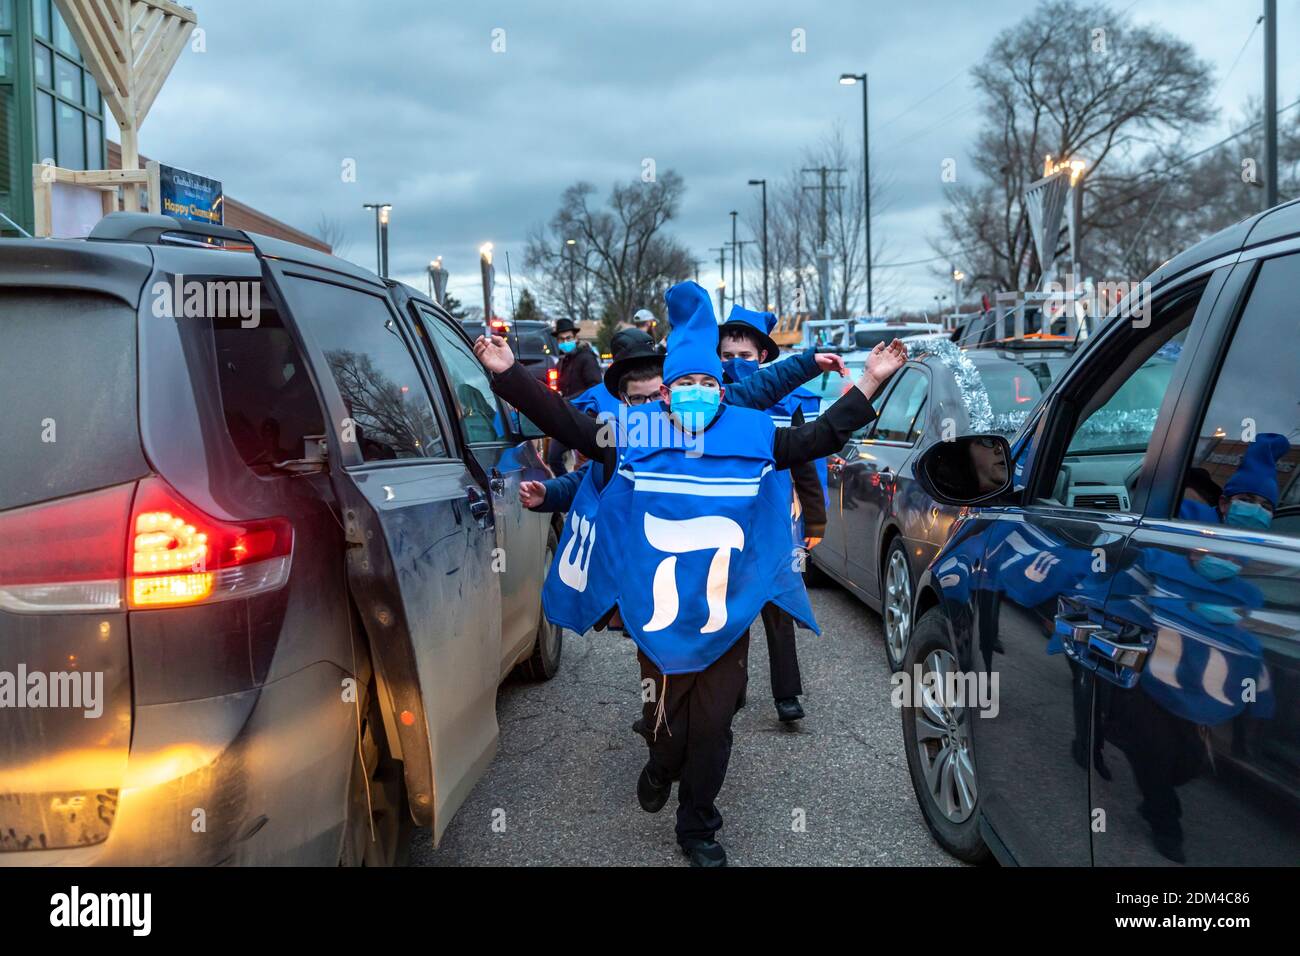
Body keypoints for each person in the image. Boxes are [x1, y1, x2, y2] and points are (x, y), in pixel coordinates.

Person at [475, 280, 906, 867]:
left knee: (716, 724)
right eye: (686, 385)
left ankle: (698, 825)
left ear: (721, 392)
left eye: (708, 384)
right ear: (667, 393)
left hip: (726, 612)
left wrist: (872, 380)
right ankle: (660, 764)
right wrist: (507, 373)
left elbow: (820, 435)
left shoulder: (749, 431)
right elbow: (565, 422)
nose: (698, 393)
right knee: (671, 727)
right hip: (658, 612)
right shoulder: (635, 431)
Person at [717, 304, 825, 723]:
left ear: (762, 356)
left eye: (744, 356)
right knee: (728, 608)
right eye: (727, 355)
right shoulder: (712, 399)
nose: (735, 363)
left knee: (778, 604)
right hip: (726, 520)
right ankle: (732, 690)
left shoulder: (792, 400)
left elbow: (805, 460)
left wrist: (815, 518)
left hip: (775, 518)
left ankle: (786, 695)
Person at [547, 317, 601, 475]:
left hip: (585, 416)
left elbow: (595, 386)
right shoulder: (563, 361)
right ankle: (568, 488)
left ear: (575, 338)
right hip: (569, 414)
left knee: (581, 461)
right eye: (562, 339)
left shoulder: (587, 358)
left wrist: (568, 400)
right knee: (554, 458)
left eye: (568, 338)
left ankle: (572, 490)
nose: (565, 342)